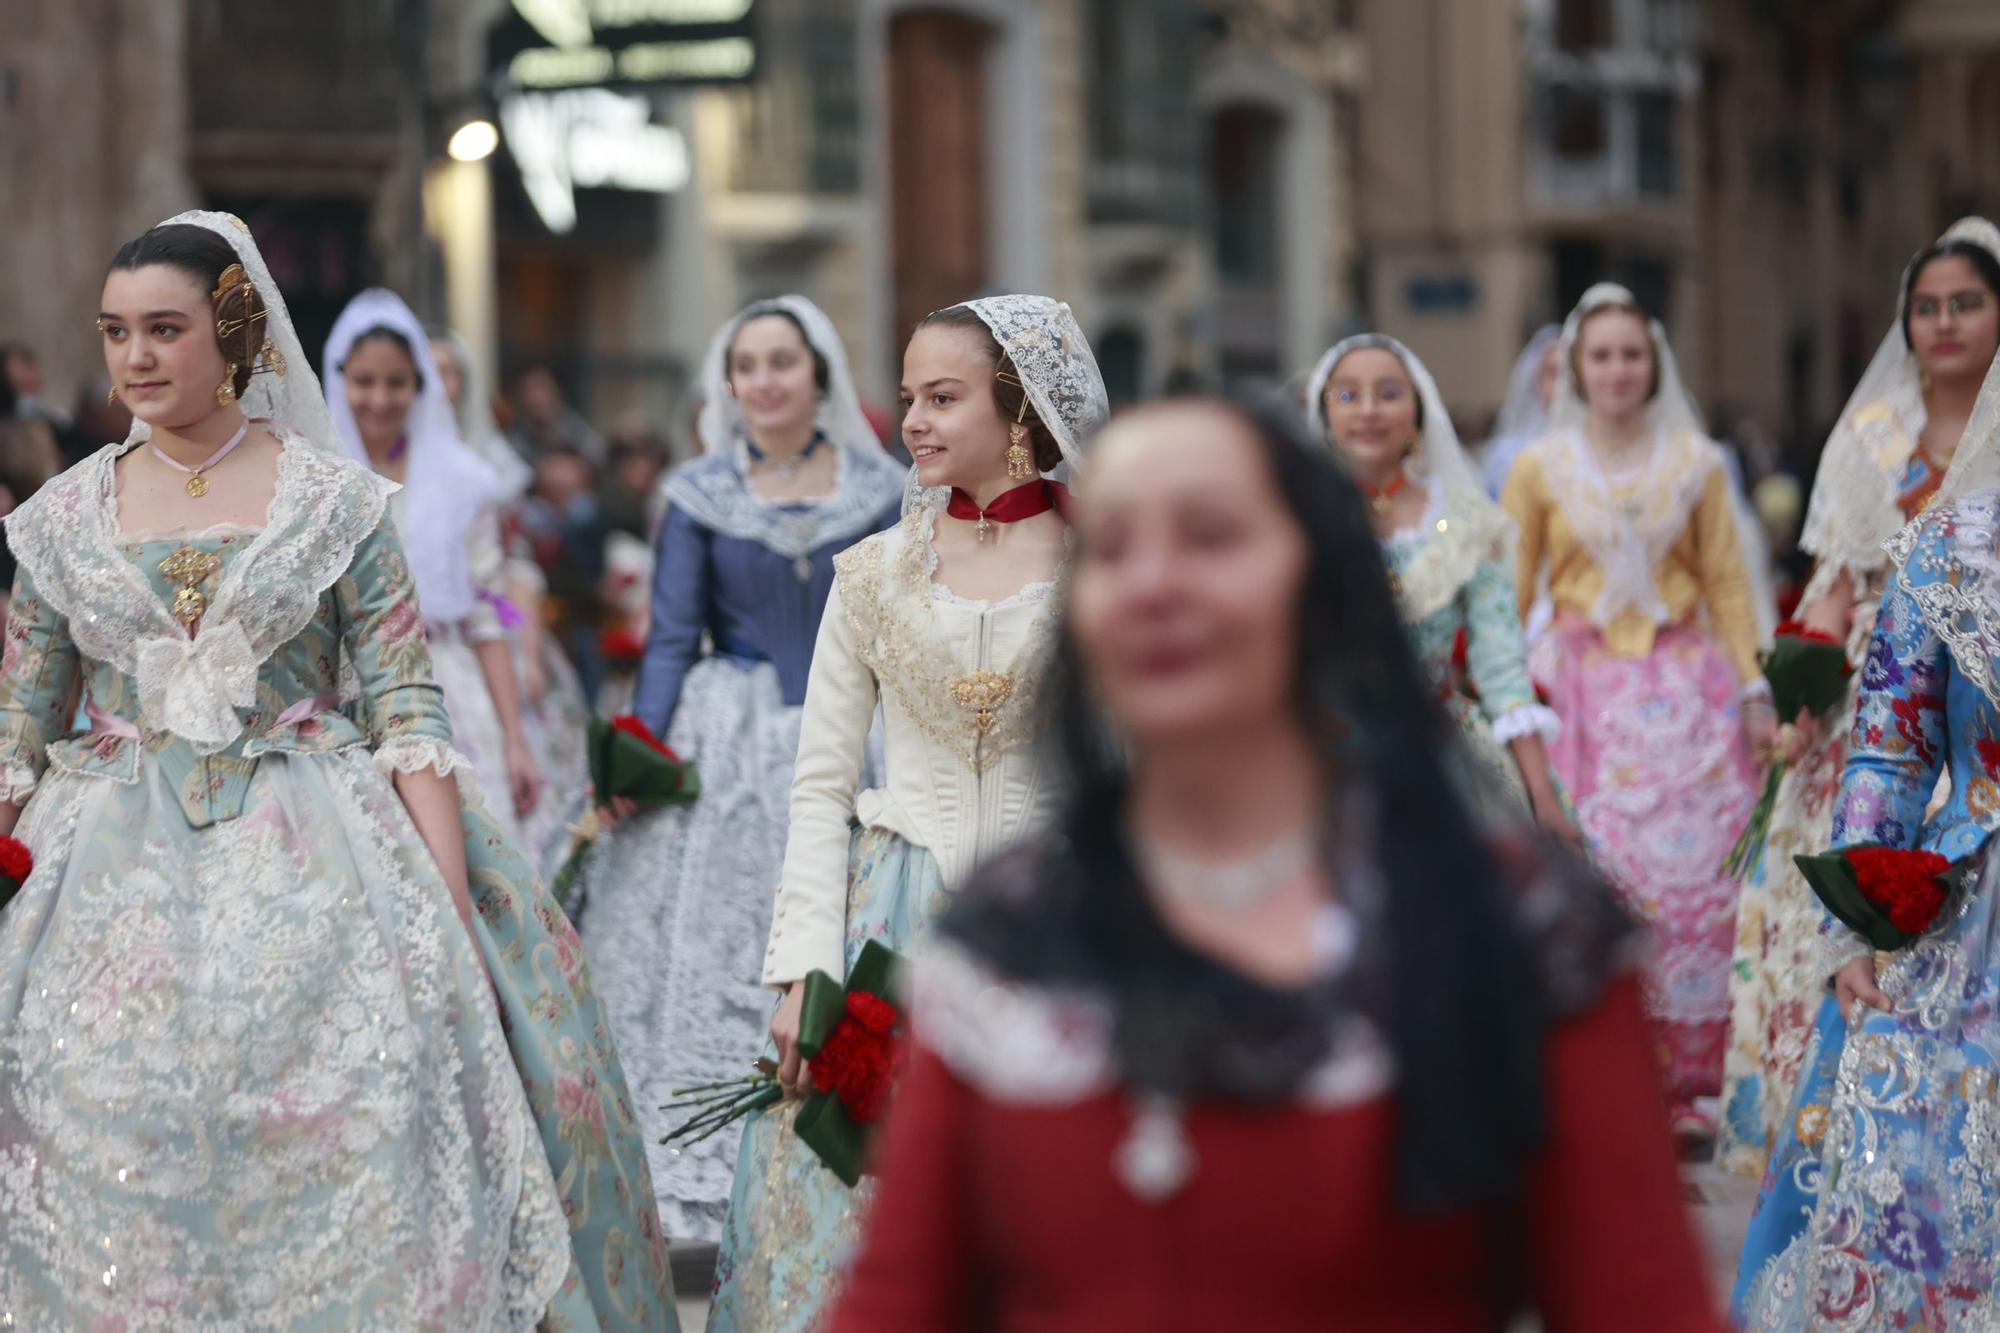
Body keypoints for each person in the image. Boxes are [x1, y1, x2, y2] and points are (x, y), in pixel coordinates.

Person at [828, 394, 1723, 1332]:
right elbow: (896, 1307)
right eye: (1112, 549)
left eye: (1210, 535)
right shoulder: (1006, 938)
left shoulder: (1518, 927)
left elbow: (1646, 1304)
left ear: (1324, 582)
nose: (1153, 583)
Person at [0, 211, 675, 1328]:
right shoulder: (64, 516)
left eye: (165, 329)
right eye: (117, 332)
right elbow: (17, 727)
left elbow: (407, 705)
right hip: (104, 861)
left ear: (235, 333)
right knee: (95, 1108)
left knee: (346, 1108)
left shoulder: (334, 501)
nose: (136, 358)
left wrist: (450, 909)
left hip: (318, 841)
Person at [706, 295, 1109, 1330]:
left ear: (1016, 410)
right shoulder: (874, 573)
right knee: (857, 1214)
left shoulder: (1107, 568)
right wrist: (805, 965)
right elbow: (820, 784)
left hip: (1061, 919)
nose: (914, 422)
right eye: (906, 399)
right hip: (890, 918)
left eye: (943, 397)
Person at [576, 296, 904, 1242]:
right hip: (733, 745)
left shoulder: (881, 489)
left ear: (819, 376)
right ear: (728, 384)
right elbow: (672, 639)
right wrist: (639, 751)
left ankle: (850, 1160)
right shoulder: (696, 494)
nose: (764, 381)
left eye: (782, 363)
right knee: (703, 952)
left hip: (859, 730)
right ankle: (703, 1180)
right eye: (747, 365)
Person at [1715, 217, 2000, 1178]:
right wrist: (1800, 689)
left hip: (1983, 706)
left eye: (1967, 303)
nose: (1946, 322)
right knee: (1853, 912)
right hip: (1882, 697)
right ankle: (1833, 1129)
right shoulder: (1868, 438)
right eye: (1928, 306)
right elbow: (1833, 586)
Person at [1502, 282, 1773, 1140]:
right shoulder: (1538, 468)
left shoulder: (1697, 461)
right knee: (1609, 874)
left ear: (1653, 363)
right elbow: (1509, 586)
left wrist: (1758, 685)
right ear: (1575, 368)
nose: (1617, 370)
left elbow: (1728, 582)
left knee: (1702, 885)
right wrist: (1504, 697)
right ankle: (1624, 1080)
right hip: (1584, 696)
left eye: (1631, 354)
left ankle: (1696, 1080)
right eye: (1601, 355)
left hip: (1690, 696)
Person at [1307, 333, 1571, 835]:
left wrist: (1542, 796)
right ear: (1324, 415)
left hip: (1442, 755)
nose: (1368, 410)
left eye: (1388, 393)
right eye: (1347, 395)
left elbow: (1501, 668)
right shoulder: (1293, 521)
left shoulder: (1465, 524)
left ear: (1419, 412)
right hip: (1323, 754)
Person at [325, 291, 543, 847]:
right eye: (364, 381)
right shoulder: (313, 480)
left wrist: (516, 738)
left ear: (419, 385)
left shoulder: (464, 482)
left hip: (448, 689)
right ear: (338, 378)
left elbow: (488, 617)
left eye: (396, 382)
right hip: (345, 690)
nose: (379, 398)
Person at [431, 326, 591, 873]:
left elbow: (507, 572)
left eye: (448, 371)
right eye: (427, 370)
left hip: (478, 633)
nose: (437, 383)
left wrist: (523, 643)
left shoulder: (488, 466)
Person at [1481, 324, 1561, 498]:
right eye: (1552, 373)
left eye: (1568, 373)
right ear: (1536, 380)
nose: (1563, 384)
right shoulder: (1506, 455)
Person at [510, 364, 607, 466]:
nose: (535, 397)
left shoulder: (575, 428)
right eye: (527, 390)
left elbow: (599, 454)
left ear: (556, 391)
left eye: (541, 387)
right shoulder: (515, 439)